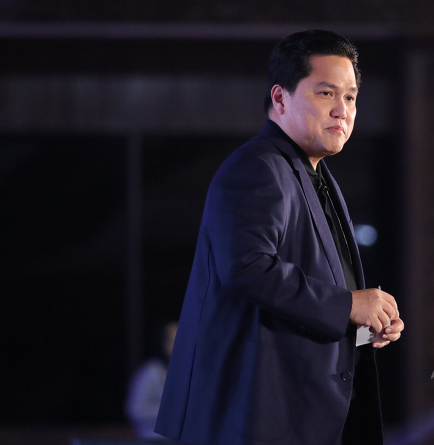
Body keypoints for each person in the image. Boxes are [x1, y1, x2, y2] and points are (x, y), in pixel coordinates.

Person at [154, 29, 404, 445]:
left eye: (350, 97)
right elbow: (247, 268)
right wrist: (348, 305)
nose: (342, 110)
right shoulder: (257, 167)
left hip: (304, 414)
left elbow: (304, 304)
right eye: (326, 93)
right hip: (259, 419)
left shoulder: (314, 174)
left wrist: (363, 323)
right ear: (280, 98)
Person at [125, 321, 178, 439]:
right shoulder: (151, 372)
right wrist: (172, 411)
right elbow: (135, 409)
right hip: (153, 439)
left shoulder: (181, 372)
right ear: (164, 343)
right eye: (174, 341)